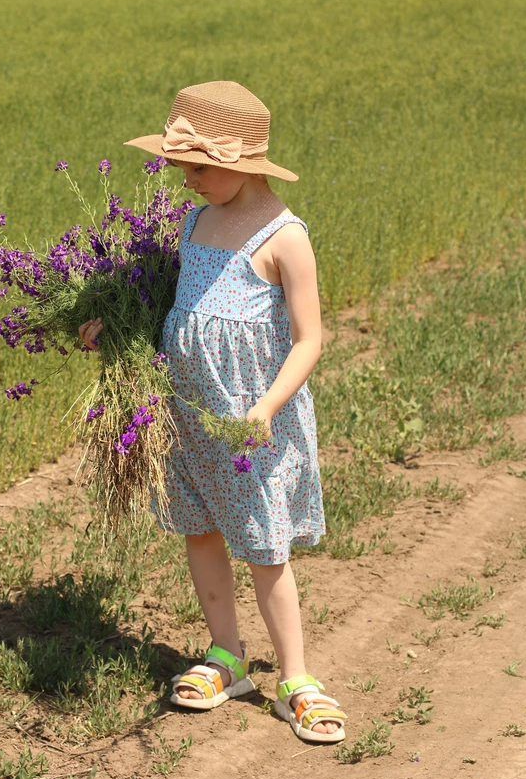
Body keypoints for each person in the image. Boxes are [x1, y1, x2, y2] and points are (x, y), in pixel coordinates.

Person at [79, 81, 347, 744]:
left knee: (264, 547)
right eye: (181, 167)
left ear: (241, 162)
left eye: (197, 166)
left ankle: (296, 679)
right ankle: (226, 656)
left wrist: (265, 406)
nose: (186, 179)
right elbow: (176, 307)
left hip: (250, 427)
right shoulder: (197, 221)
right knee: (200, 531)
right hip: (189, 418)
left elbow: (311, 338)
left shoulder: (284, 237)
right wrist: (110, 329)